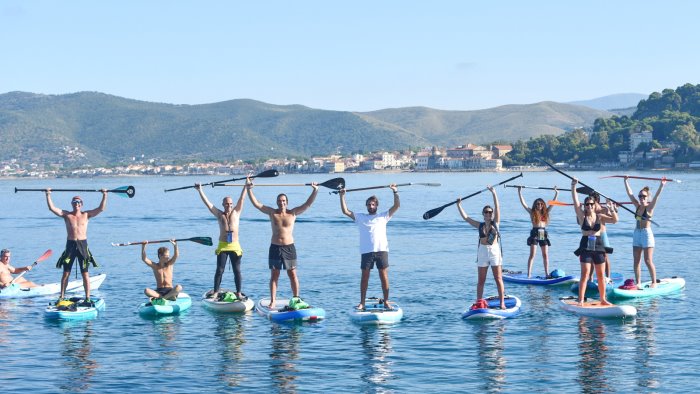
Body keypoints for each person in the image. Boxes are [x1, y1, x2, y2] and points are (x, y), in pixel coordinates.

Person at [246, 176, 319, 309]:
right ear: (277, 202)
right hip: (275, 247)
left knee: (292, 274)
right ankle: (273, 301)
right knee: (275, 275)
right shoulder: (272, 212)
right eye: (280, 201)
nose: (282, 203)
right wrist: (249, 189)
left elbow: (308, 204)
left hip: (289, 247)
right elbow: (256, 204)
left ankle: (296, 299)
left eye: (284, 201)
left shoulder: (293, 213)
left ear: (287, 202)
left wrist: (315, 190)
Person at [339, 184, 400, 311]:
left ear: (376, 205)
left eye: (373, 204)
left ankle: (386, 301)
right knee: (364, 277)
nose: (371, 206)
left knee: (384, 276)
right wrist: (342, 196)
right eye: (369, 204)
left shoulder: (383, 216)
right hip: (367, 252)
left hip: (381, 250)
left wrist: (395, 192)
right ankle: (362, 302)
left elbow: (396, 206)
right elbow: (345, 211)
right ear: (366, 206)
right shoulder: (361, 217)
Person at [46, 190, 107, 300]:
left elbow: (101, 209)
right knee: (66, 273)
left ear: (81, 204)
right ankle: (62, 296)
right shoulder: (67, 215)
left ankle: (87, 297)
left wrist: (104, 195)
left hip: (83, 246)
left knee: (85, 273)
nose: (76, 204)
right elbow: (52, 208)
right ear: (72, 204)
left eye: (78, 202)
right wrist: (48, 194)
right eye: (74, 202)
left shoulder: (86, 214)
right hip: (70, 245)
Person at [456, 186, 506, 309]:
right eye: (486, 212)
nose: (489, 214)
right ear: (483, 214)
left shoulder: (496, 223)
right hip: (482, 252)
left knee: (498, 278)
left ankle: (502, 302)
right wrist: (459, 205)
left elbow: (497, 207)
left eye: (490, 212)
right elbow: (466, 218)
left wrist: (494, 193)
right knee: (481, 280)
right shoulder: (480, 225)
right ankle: (479, 302)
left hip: (494, 251)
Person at [196, 184, 247, 299]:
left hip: (235, 246)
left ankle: (238, 292)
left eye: (230, 204)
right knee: (219, 270)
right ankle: (215, 291)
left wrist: (246, 185)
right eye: (226, 204)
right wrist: (200, 190)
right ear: (223, 204)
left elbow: (242, 198)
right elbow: (208, 204)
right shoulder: (219, 214)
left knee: (237, 270)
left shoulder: (237, 212)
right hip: (223, 245)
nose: (229, 205)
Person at [571, 179, 617, 306]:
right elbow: (575, 202)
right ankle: (580, 300)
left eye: (592, 204)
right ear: (585, 206)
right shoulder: (581, 216)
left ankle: (603, 299)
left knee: (601, 275)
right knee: (585, 274)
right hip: (585, 245)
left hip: (598, 245)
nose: (590, 206)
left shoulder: (600, 216)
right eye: (587, 205)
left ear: (594, 204)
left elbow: (615, 220)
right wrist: (573, 186)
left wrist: (612, 209)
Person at [624, 177, 666, 288]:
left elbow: (657, 197)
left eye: (644, 196)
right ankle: (638, 283)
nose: (641, 198)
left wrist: (662, 185)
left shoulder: (650, 207)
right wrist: (625, 181)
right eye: (640, 196)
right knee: (636, 260)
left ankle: (654, 282)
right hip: (636, 234)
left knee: (647, 260)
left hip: (646, 235)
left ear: (647, 198)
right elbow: (630, 194)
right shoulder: (637, 206)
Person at [516, 187, 558, 278]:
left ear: (543, 205)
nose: (539, 205)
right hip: (535, 233)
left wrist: (556, 193)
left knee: (545, 255)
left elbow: (553, 203)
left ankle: (547, 274)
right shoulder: (532, 212)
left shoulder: (545, 213)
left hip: (542, 233)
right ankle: (529, 274)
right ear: (535, 205)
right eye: (537, 204)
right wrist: (520, 192)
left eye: (541, 204)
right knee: (532, 254)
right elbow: (523, 204)